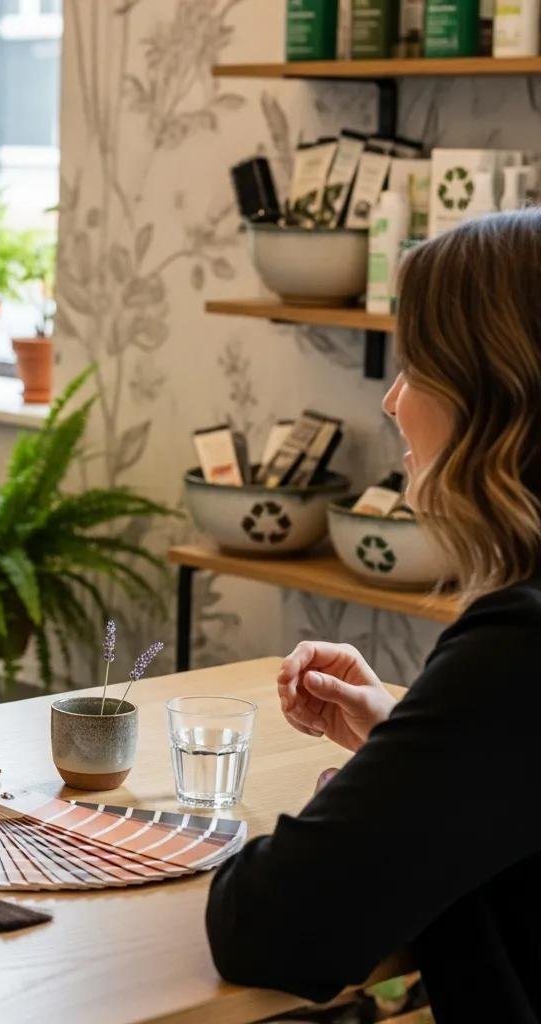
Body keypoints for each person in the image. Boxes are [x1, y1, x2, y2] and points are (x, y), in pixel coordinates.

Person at [206, 209, 541, 1024]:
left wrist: (385, 780)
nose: (393, 401)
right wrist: (409, 740)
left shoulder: (517, 652)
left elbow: (269, 925)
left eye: (417, 366)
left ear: (493, 397)